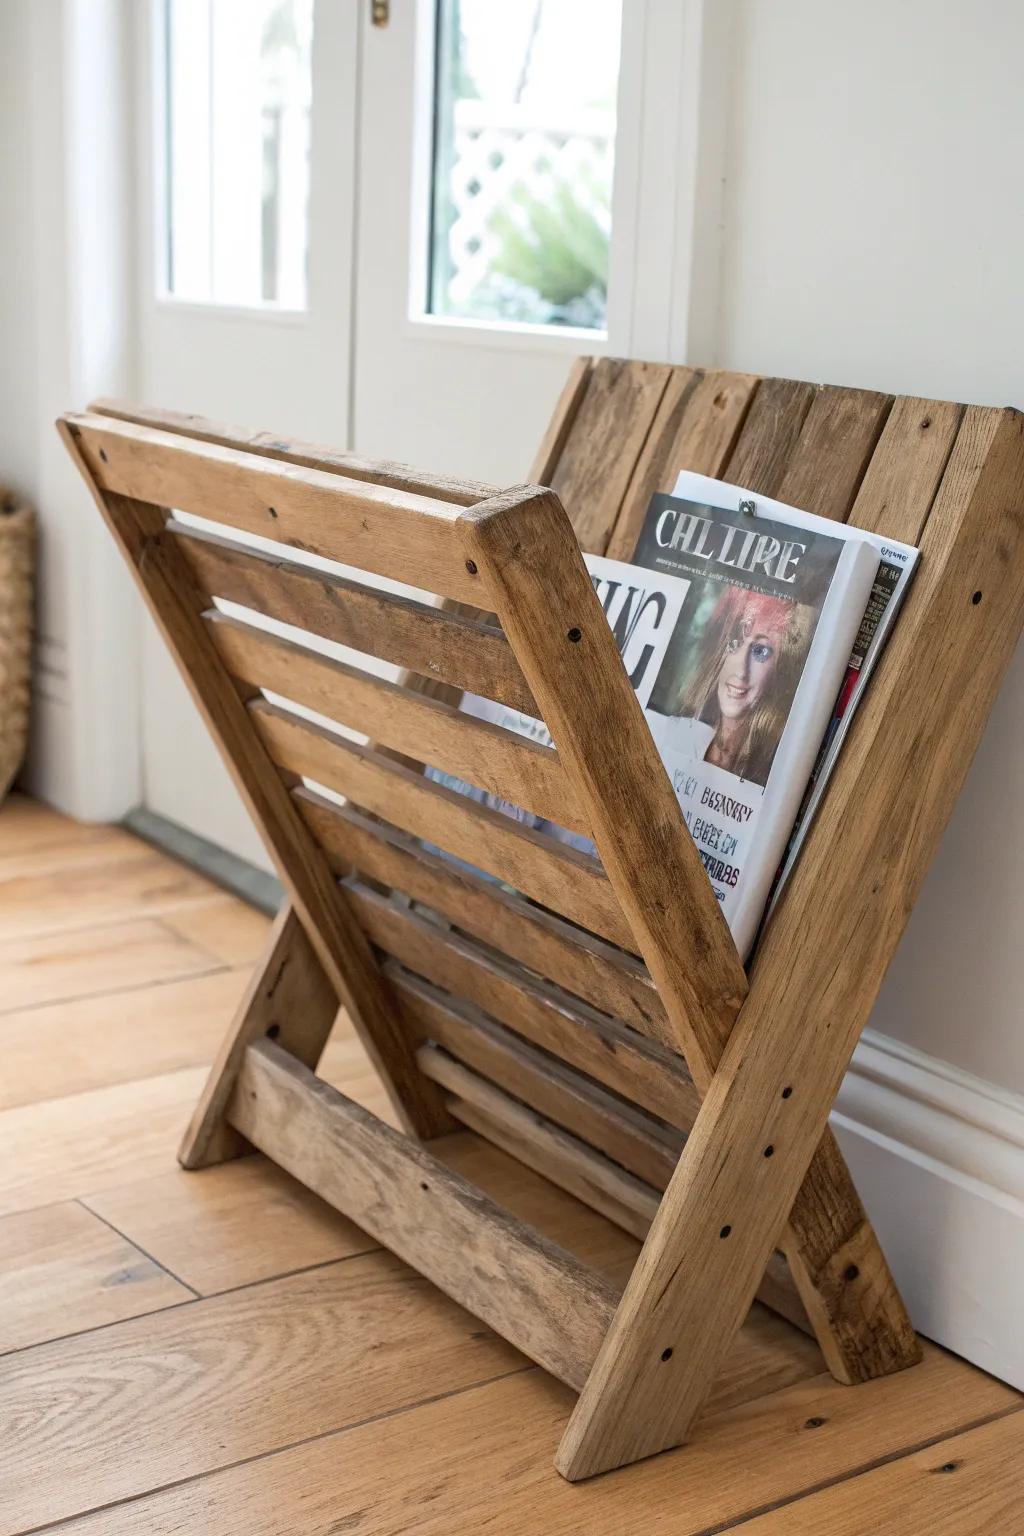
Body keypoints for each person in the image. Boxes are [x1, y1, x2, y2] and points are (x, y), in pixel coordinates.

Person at [649, 585, 812, 786]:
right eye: (734, 643)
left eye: (761, 651)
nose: (741, 670)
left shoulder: (778, 775)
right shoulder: (671, 735)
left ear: (781, 667)